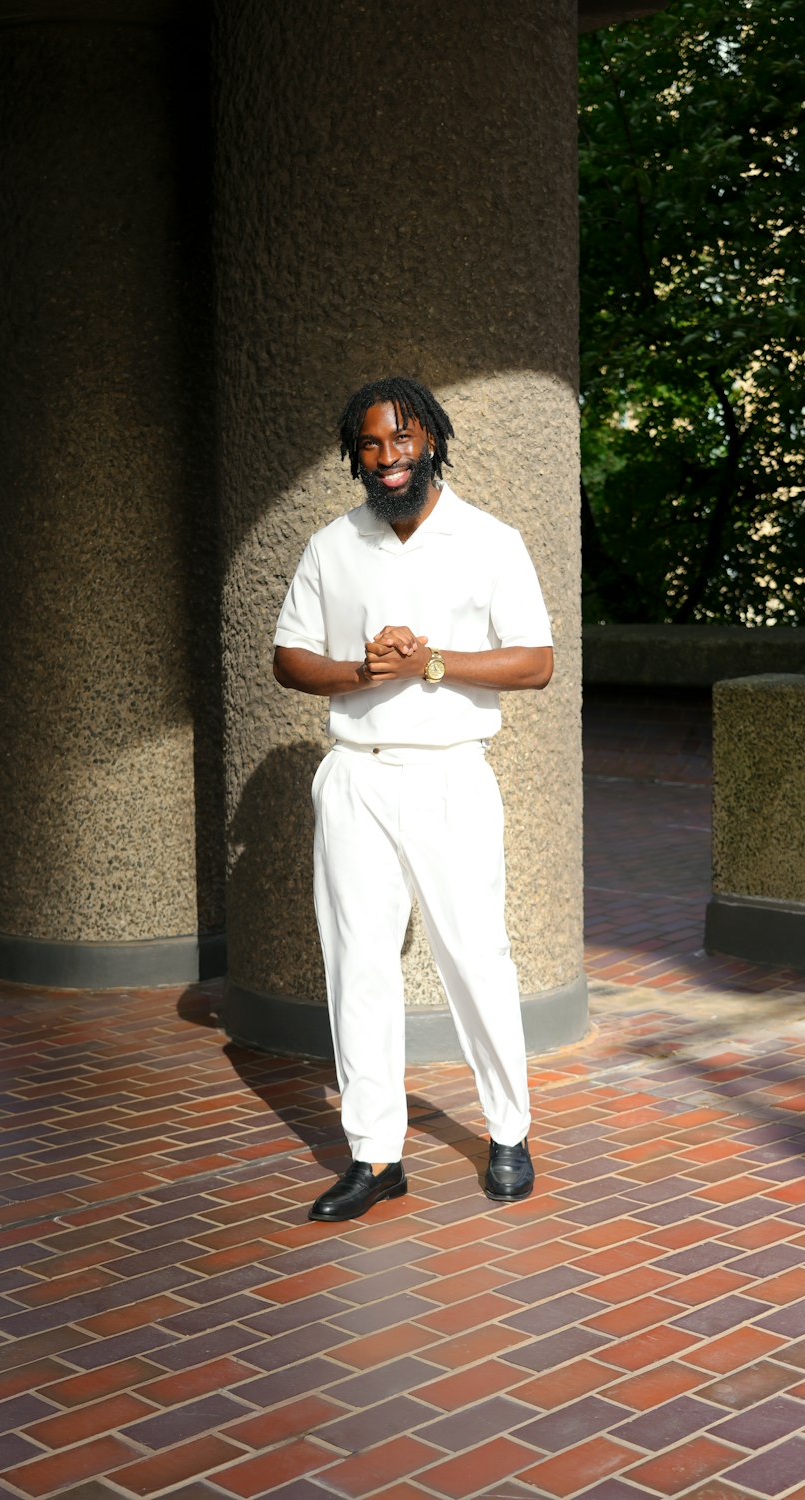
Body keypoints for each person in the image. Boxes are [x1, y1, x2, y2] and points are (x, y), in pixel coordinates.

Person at [273, 376, 554, 1222]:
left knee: (475, 956)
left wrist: (430, 661)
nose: (388, 458)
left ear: (432, 438)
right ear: (354, 454)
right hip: (357, 773)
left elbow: (534, 661)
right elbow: (289, 658)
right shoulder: (331, 545)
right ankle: (374, 1154)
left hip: (449, 774)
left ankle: (508, 1130)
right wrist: (364, 669)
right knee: (357, 964)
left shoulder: (490, 541)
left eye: (403, 439)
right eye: (370, 444)